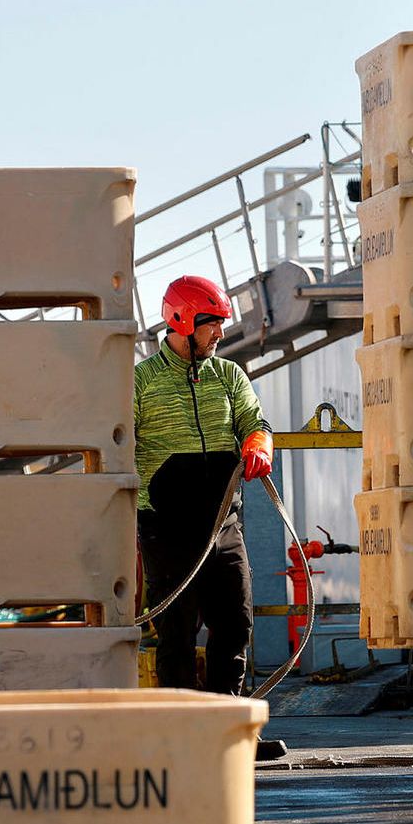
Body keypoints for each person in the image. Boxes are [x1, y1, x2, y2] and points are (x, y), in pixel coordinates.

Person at [135, 276, 282, 755]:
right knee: (175, 635)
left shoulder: (229, 376)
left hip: (223, 524)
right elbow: (116, 446)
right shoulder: (139, 382)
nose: (220, 334)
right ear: (183, 320)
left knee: (235, 625)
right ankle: (179, 738)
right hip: (166, 528)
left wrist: (259, 443)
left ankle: (228, 735)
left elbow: (254, 421)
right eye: (212, 325)